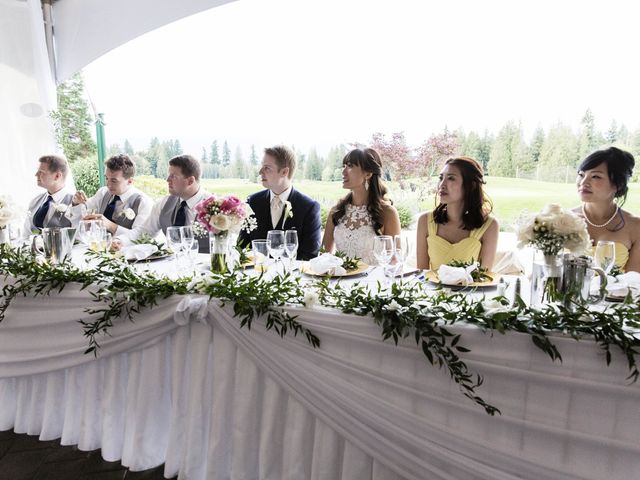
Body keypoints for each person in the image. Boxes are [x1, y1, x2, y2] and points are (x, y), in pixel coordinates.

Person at [238, 145, 321, 260]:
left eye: (267, 168)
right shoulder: (252, 202)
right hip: (256, 274)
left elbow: (310, 256)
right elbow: (241, 248)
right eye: (262, 166)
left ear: (284, 172)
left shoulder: (309, 207)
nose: (260, 171)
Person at [416, 156, 498, 270]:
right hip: (431, 288)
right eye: (441, 178)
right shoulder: (425, 221)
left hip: (473, 288)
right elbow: (421, 274)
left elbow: (485, 278)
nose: (442, 185)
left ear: (471, 185)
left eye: (451, 178)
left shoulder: (489, 225)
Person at [116, 154, 212, 251]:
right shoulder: (164, 203)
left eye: (173, 176)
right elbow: (144, 231)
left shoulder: (216, 206)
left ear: (190, 181)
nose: (167, 180)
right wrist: (121, 240)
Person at [322, 148, 401, 264]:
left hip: (374, 281)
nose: (343, 172)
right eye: (344, 166)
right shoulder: (336, 211)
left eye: (349, 166)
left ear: (368, 173)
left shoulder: (388, 213)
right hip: (340, 280)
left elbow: (395, 261)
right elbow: (324, 255)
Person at [574, 147, 640, 272]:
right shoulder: (561, 220)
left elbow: (634, 282)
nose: (583, 182)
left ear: (618, 184)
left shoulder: (636, 227)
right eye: (581, 174)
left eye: (595, 176)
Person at [70, 154, 152, 239]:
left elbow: (141, 237)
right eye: (106, 178)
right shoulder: (103, 193)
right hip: (97, 248)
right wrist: (76, 203)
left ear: (130, 181)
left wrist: (110, 225)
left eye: (114, 180)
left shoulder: (144, 202)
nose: (108, 184)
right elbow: (81, 217)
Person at [23, 154, 73, 236]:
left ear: (57, 176)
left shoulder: (75, 204)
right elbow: (26, 234)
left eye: (41, 172)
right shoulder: (35, 201)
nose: (36, 174)